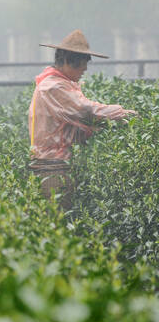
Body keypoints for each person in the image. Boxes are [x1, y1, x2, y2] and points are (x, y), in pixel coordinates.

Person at [28, 29, 136, 209]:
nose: (85, 69)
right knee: (57, 219)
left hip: (59, 164)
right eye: (81, 64)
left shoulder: (58, 83)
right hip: (52, 166)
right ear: (67, 61)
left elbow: (76, 124)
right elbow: (85, 110)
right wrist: (122, 113)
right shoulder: (53, 87)